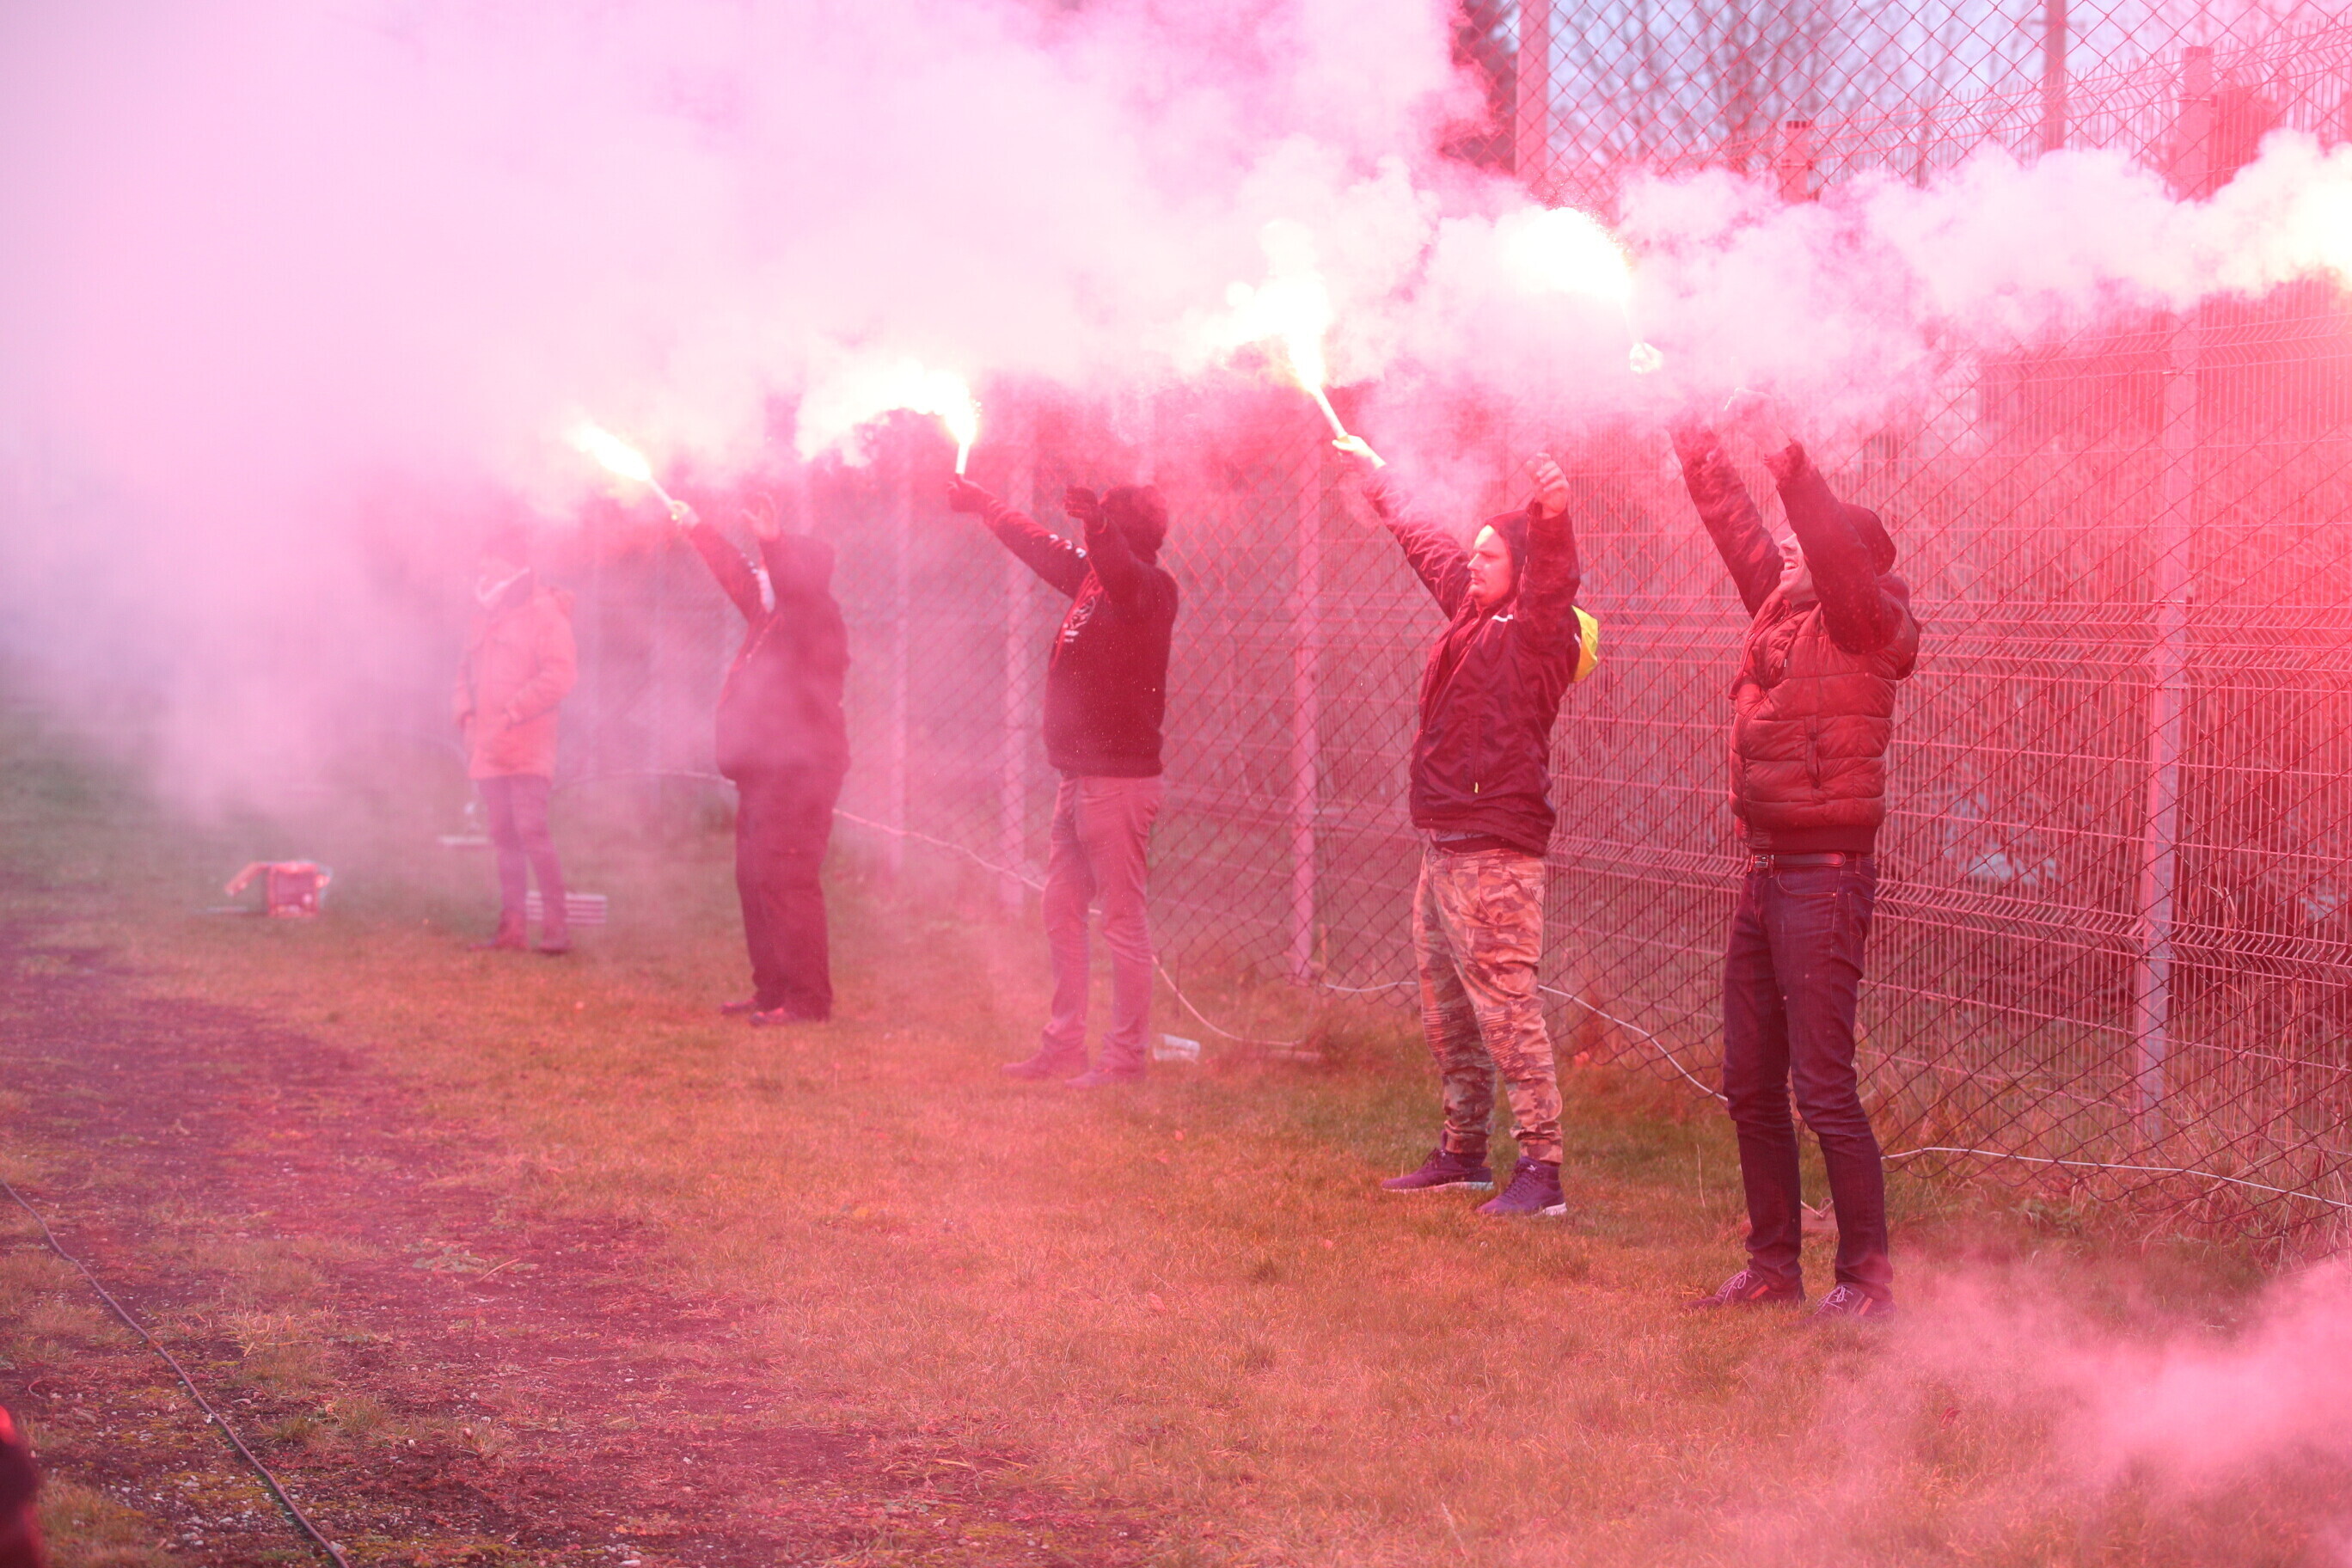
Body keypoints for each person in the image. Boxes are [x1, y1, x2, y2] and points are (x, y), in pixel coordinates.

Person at [1672, 401, 1920, 1320]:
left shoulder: (1864, 623)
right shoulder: (1784, 614)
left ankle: (1866, 1285)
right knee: (1749, 1084)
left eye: (1805, 544)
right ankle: (1773, 1269)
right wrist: (1690, 432)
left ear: (1842, 562)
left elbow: (1830, 555)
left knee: (1822, 1087)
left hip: (1825, 879)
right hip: (1766, 873)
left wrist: (1798, 474)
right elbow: (1736, 527)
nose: (1785, 550)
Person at [1338, 436, 1600, 1218]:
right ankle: (1463, 1154)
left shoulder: (1537, 633)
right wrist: (1379, 478)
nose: (1475, 563)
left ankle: (1542, 1172)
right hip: (1443, 846)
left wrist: (1552, 517)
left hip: (1494, 854)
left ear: (1523, 569)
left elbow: (1554, 579)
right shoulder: (1472, 611)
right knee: (1448, 1015)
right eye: (1477, 553)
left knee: (1507, 1015)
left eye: (1492, 555)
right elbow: (1429, 546)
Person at [946, 475, 1179, 1088]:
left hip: (1118, 784)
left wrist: (1097, 527)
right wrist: (984, 503)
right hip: (1077, 778)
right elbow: (1040, 545)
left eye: (1105, 521)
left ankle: (1124, 1059)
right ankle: (1063, 1045)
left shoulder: (1150, 589)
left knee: (1121, 921)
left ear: (1124, 533)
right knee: (1061, 910)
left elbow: (1121, 571)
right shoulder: (1094, 578)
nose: (1090, 531)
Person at [675, 495, 850, 1025]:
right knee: (756, 881)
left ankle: (807, 1001)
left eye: (772, 567)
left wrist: (774, 543)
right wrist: (696, 527)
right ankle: (772, 990)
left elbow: (796, 590)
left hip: (800, 776)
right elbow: (736, 575)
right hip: (762, 774)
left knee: (788, 879)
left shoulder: (816, 618)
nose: (762, 575)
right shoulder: (771, 617)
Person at [452, 524, 579, 954]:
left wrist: (513, 712)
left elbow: (560, 675)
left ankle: (557, 928)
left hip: (527, 743)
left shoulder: (545, 612)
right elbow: (463, 672)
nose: (482, 569)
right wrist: (465, 714)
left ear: (511, 564)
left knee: (531, 830)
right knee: (503, 835)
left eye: (490, 561)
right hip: (487, 745)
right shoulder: (484, 614)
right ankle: (512, 930)